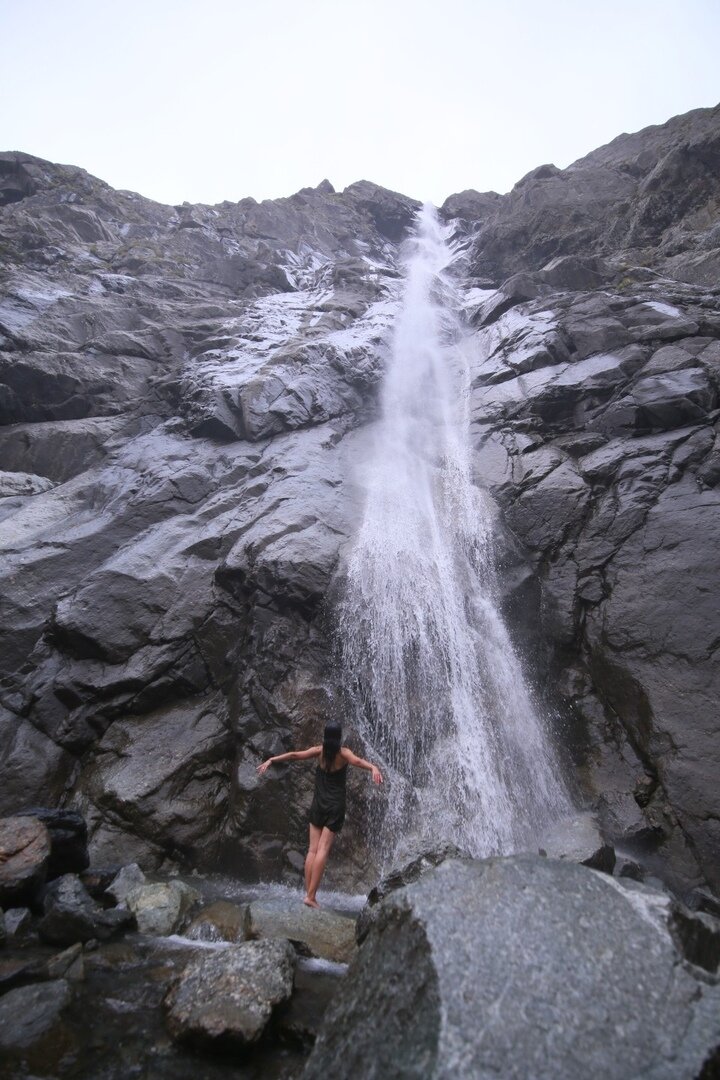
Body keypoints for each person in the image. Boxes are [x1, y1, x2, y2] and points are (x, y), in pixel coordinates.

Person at [257, 722, 383, 908]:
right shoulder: (343, 753)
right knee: (322, 850)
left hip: (318, 804)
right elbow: (357, 761)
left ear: (325, 736)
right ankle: (311, 897)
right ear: (338, 737)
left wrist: (272, 760)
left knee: (312, 850)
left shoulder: (319, 751)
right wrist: (373, 767)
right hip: (335, 806)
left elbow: (295, 755)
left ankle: (309, 894)